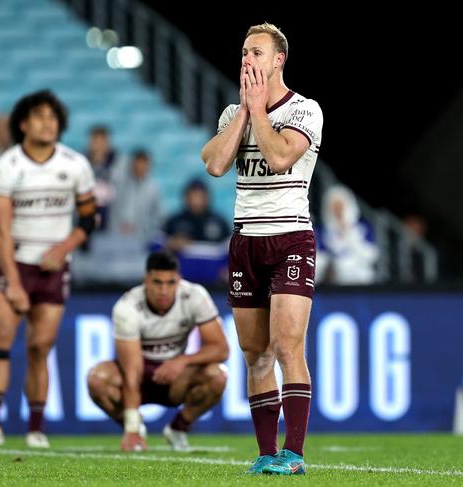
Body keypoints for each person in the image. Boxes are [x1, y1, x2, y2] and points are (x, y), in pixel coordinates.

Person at [201, 23, 323, 475]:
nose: (246, 59)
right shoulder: (234, 112)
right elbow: (215, 163)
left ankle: (294, 455)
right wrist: (244, 114)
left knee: (288, 346)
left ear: (278, 60)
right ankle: (265, 453)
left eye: (256, 51)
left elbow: (278, 157)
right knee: (255, 354)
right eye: (243, 51)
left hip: (290, 236)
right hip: (245, 240)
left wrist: (258, 111)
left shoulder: (306, 110)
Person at [0, 90, 97, 449]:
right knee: (0, 343)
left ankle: (35, 428)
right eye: (40, 116)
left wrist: (63, 248)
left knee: (40, 347)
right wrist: (12, 283)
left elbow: (90, 219)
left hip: (53, 268)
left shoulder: (75, 164)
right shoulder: (5, 167)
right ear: (23, 124)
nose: (48, 123)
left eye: (53, 117)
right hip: (14, 264)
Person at [87, 251, 228, 452]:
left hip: (176, 378)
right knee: (97, 379)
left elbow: (221, 349)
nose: (164, 290)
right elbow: (132, 372)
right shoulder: (127, 307)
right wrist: (131, 426)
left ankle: (178, 428)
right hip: (139, 374)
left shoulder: (194, 296)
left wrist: (182, 361)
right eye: (157, 282)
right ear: (146, 281)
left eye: (170, 283)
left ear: (179, 280)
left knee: (218, 376)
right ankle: (136, 428)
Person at [315, 185, 378, 285]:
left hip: (362, 281)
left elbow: (371, 256)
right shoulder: (323, 231)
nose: (338, 212)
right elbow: (319, 259)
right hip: (336, 284)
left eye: (340, 207)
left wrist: (348, 233)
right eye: (334, 207)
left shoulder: (363, 228)